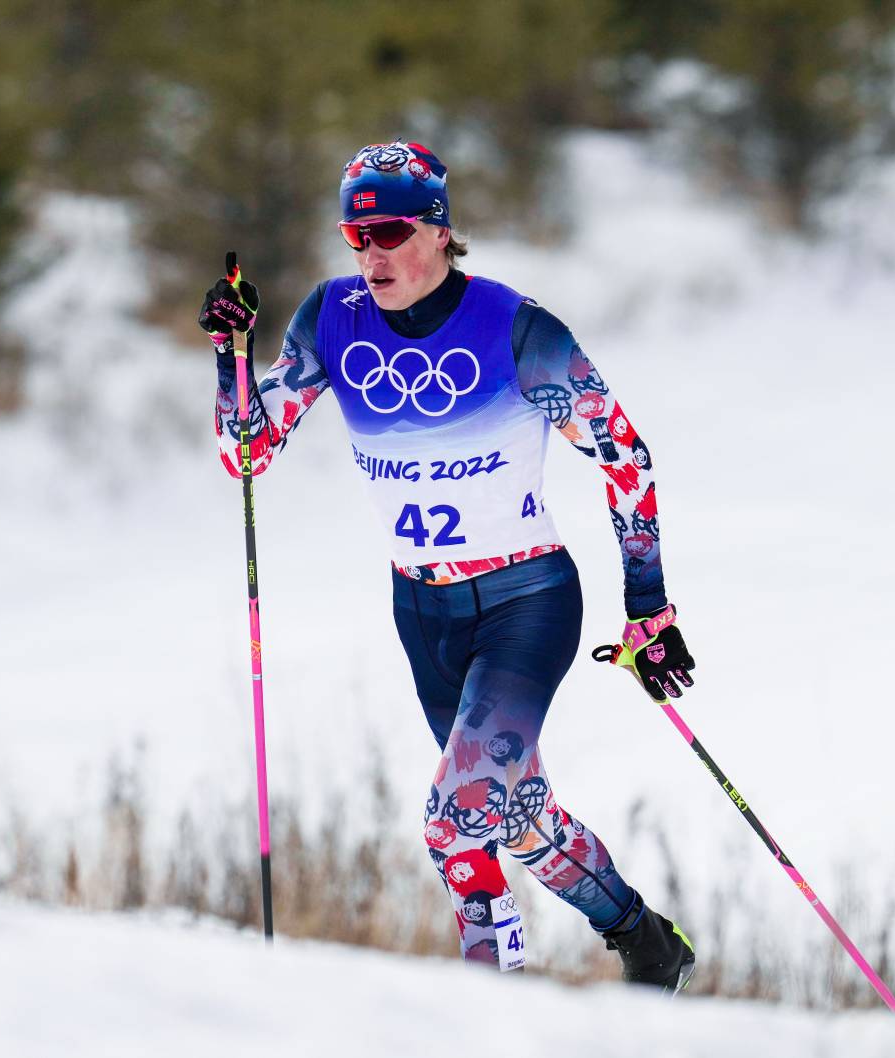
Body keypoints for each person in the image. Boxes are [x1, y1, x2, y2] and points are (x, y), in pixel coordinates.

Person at [198, 140, 698, 989]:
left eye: (389, 231)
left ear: (439, 230)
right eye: (355, 235)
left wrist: (648, 608)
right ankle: (644, 938)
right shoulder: (331, 317)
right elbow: (247, 452)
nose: (371, 252)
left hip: (524, 601)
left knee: (455, 823)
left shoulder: (518, 330)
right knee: (512, 814)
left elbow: (626, 458)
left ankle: (489, 1015)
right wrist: (229, 353)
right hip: (421, 610)